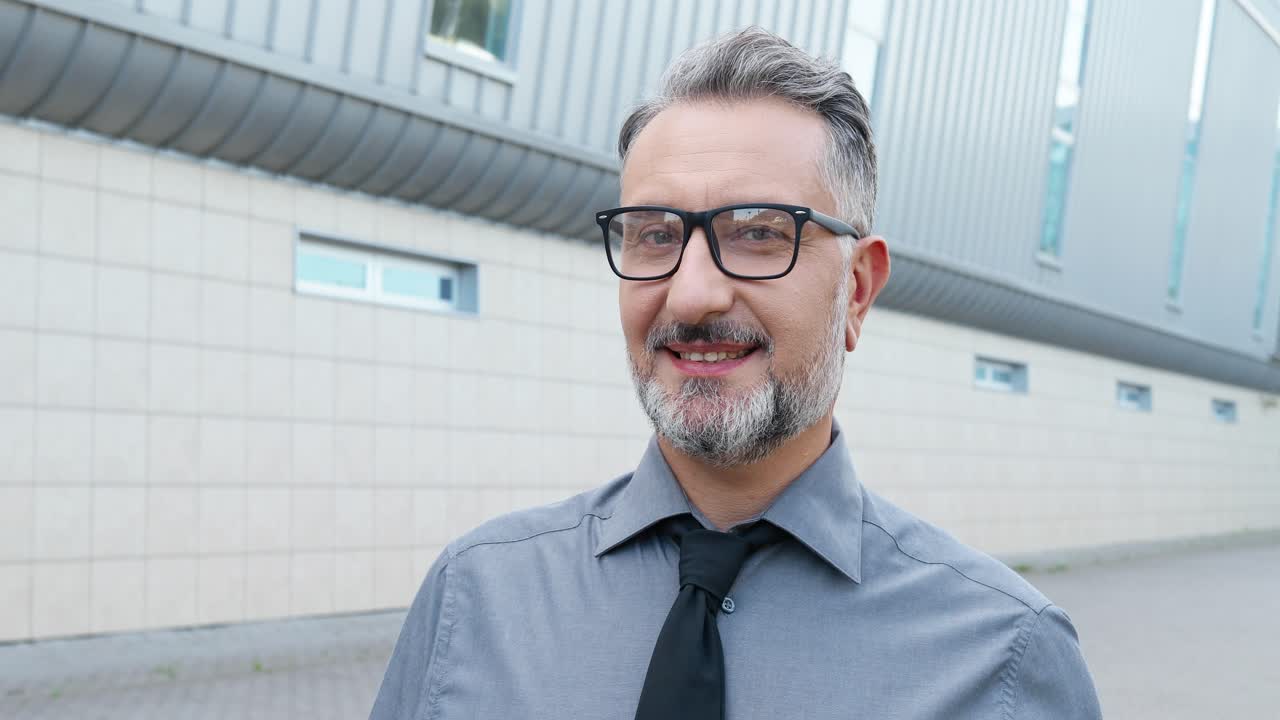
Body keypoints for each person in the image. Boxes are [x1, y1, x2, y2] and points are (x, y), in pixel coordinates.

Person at [370, 27, 1101, 720]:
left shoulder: (1003, 656)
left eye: (757, 234)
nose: (691, 294)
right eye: (655, 235)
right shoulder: (477, 599)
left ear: (858, 289)